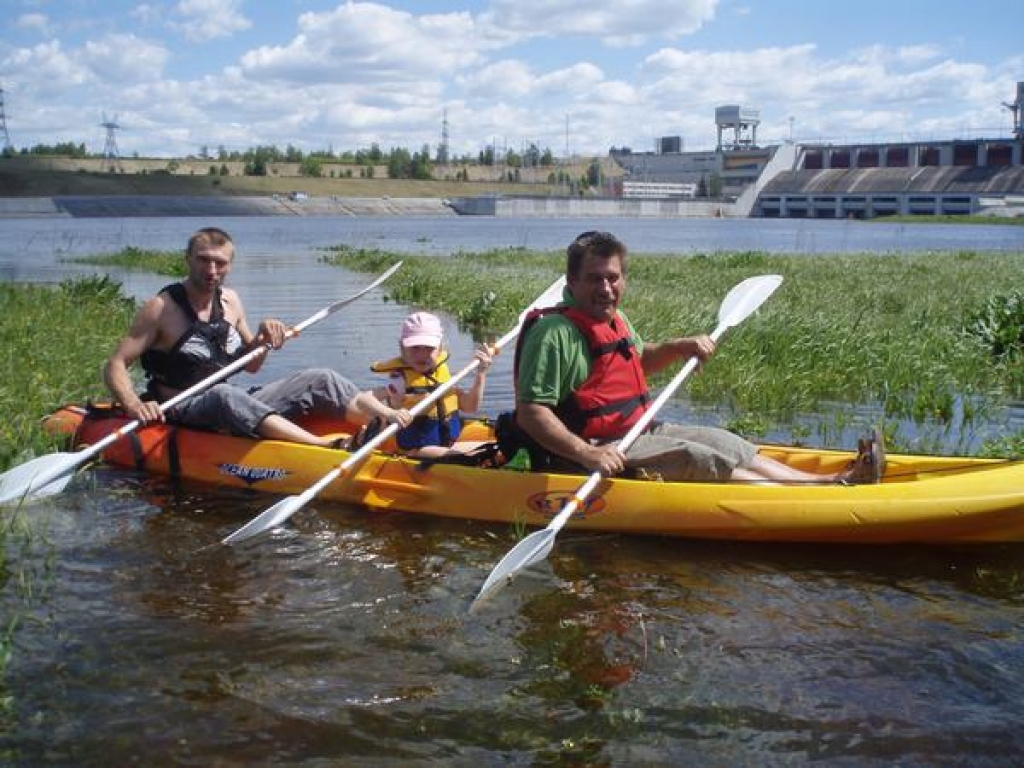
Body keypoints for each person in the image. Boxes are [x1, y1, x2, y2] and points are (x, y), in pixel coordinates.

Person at [502, 230, 884, 484]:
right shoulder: (554, 334)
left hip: (637, 431)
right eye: (594, 278)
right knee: (695, 456)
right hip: (591, 448)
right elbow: (532, 414)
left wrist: (676, 347)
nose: (606, 287)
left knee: (726, 442)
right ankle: (822, 492)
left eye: (614, 277)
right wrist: (587, 453)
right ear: (572, 283)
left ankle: (824, 481)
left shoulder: (614, 319)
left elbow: (638, 361)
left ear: (624, 279)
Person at [104, 226, 407, 447]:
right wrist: (133, 405)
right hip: (182, 408)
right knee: (224, 395)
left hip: (228, 398)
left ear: (230, 266)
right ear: (188, 259)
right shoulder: (162, 308)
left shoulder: (231, 301)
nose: (212, 270)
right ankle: (321, 447)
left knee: (321, 378)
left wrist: (264, 337)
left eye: (220, 263)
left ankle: (385, 422)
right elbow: (116, 364)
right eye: (203, 260)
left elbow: (251, 364)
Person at [368, 311, 493, 457]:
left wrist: (481, 373)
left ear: (440, 348)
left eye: (429, 348)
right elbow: (363, 399)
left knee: (492, 448)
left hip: (447, 442)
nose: (422, 354)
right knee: (468, 456)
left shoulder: (442, 375)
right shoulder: (399, 380)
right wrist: (390, 413)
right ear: (402, 348)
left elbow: (470, 407)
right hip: (416, 449)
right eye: (415, 348)